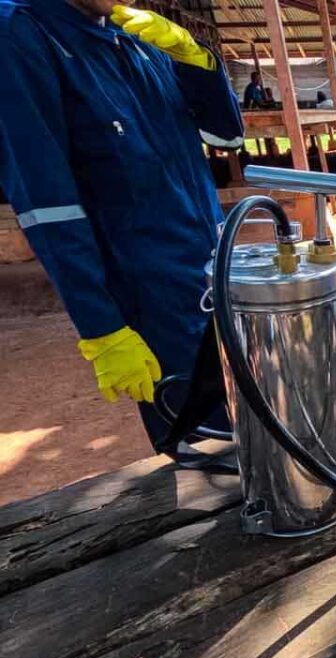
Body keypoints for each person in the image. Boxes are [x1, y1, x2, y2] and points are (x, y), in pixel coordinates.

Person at [0, 0, 244, 446]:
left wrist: (197, 58)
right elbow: (46, 204)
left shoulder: (138, 39)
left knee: (251, 424)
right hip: (151, 297)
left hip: (214, 269)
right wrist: (102, 328)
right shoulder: (21, 36)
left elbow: (226, 136)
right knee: (209, 454)